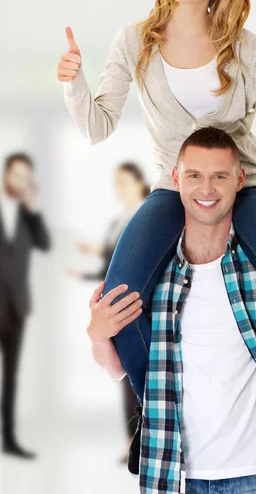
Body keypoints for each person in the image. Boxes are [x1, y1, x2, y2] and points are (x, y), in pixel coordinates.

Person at [58, 0, 256, 467]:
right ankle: (146, 410)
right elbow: (97, 125)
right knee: (119, 297)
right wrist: (72, 81)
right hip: (171, 186)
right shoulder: (135, 41)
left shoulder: (243, 46)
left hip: (244, 182)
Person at [87, 128, 256, 494]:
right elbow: (115, 369)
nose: (207, 190)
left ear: (240, 179)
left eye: (220, 176)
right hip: (174, 472)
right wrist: (96, 335)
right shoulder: (155, 274)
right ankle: (145, 421)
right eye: (194, 176)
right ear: (175, 179)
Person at [67, 161, 150, 463]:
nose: (119, 189)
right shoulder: (119, 221)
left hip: (140, 306)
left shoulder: (148, 215)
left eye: (124, 182)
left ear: (139, 183)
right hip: (116, 308)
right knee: (123, 376)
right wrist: (87, 273)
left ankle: (143, 436)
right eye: (116, 183)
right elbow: (111, 265)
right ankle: (133, 440)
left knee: (138, 374)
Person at [0, 153, 51, 459]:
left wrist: (34, 211)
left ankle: (8, 439)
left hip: (17, 307)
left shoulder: (26, 215)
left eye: (26, 177)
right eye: (17, 175)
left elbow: (45, 244)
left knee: (11, 377)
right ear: (6, 174)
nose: (21, 182)